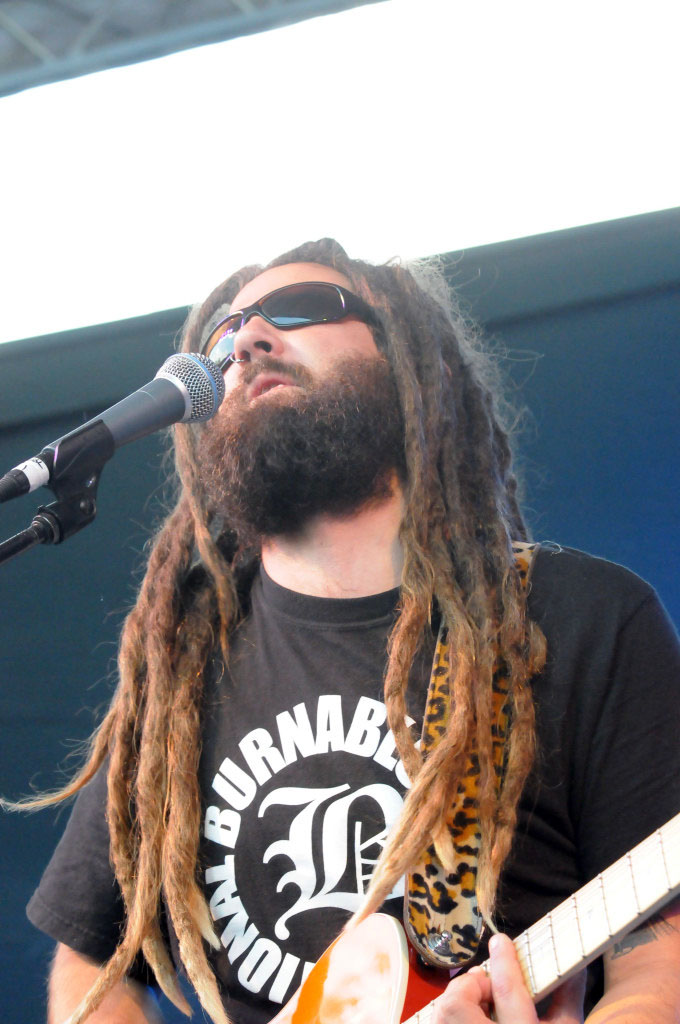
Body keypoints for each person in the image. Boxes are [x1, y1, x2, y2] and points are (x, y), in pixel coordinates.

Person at [21, 239, 680, 1024]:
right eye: (224, 335)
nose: (248, 339)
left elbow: (660, 956)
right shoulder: (181, 665)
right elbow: (92, 966)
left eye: (299, 308)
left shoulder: (579, 619)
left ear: (410, 365)